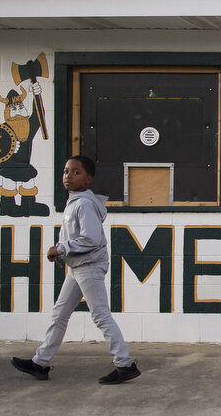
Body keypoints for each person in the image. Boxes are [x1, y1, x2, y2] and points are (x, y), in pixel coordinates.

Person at [11, 156, 141, 384]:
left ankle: (125, 364)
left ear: (88, 179)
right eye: (65, 171)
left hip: (89, 267)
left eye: (76, 172)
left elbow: (90, 239)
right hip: (78, 267)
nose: (68, 176)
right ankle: (40, 363)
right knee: (59, 314)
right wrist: (63, 251)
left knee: (101, 316)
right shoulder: (76, 201)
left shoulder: (83, 204)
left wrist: (60, 249)